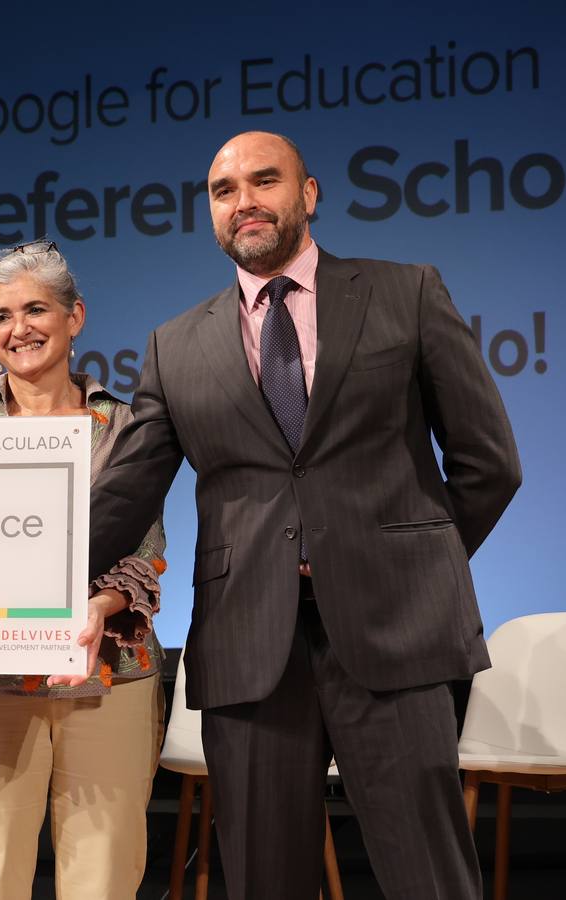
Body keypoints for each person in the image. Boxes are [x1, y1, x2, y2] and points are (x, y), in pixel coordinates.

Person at [87, 131, 521, 899]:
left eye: (265, 181)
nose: (244, 202)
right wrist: (9, 586)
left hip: (396, 632)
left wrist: (417, 568)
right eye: (224, 190)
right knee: (265, 881)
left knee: (429, 878)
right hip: (249, 647)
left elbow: (489, 463)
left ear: (309, 194)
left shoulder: (407, 293)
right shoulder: (175, 345)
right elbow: (123, 495)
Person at [0, 240, 166, 900]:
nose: (20, 329)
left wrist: (97, 608)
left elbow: (146, 551)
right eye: (1, 316)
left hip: (107, 678)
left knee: (103, 878)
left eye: (36, 309)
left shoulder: (124, 426)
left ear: (74, 316)